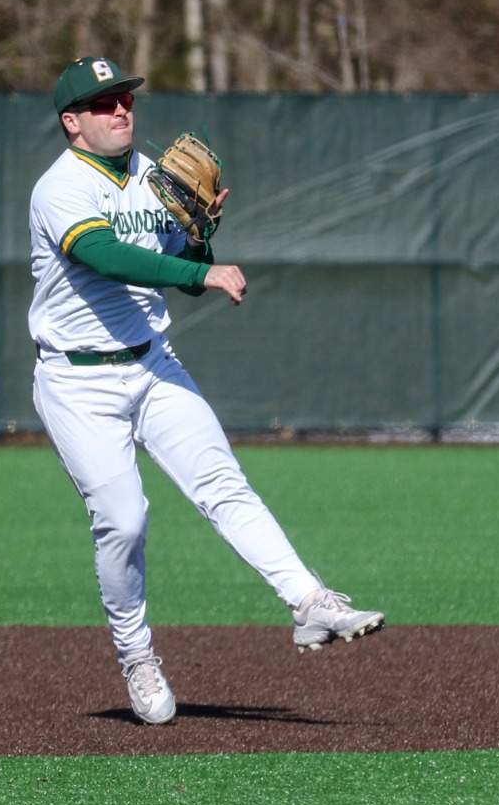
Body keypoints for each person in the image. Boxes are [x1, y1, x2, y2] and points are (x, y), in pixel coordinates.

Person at [26, 55, 384, 726]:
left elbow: (181, 266)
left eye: (125, 98)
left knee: (222, 483)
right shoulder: (59, 188)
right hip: (76, 381)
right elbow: (103, 256)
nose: (121, 111)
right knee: (124, 521)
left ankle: (310, 603)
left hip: (152, 362)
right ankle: (137, 657)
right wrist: (206, 273)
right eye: (103, 104)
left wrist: (201, 235)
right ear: (72, 122)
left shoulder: (154, 179)